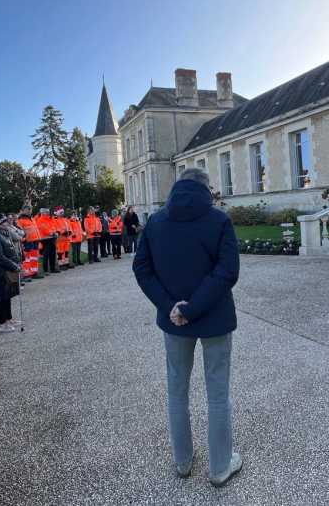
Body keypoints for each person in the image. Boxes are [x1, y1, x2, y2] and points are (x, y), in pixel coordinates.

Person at [132, 167, 242, 487]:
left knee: (177, 393)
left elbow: (142, 269)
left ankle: (182, 461)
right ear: (206, 188)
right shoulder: (218, 220)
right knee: (217, 394)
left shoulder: (156, 221)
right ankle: (220, 466)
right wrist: (193, 309)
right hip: (214, 317)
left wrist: (172, 307)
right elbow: (227, 271)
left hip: (175, 320)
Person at [16, 205, 43, 280]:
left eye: (30, 209)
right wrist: (23, 240)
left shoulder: (31, 218)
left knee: (34, 258)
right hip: (27, 241)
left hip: (35, 240)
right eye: (27, 209)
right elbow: (19, 231)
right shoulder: (20, 220)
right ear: (23, 210)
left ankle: (34, 272)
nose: (29, 211)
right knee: (27, 259)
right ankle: (27, 274)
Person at [34, 208, 59, 275]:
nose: (48, 213)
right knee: (46, 254)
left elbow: (54, 226)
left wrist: (56, 232)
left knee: (53, 254)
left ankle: (52, 268)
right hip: (45, 239)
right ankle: (45, 270)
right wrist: (52, 233)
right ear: (42, 213)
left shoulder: (50, 219)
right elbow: (43, 228)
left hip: (52, 238)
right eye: (46, 212)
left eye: (48, 212)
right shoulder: (40, 220)